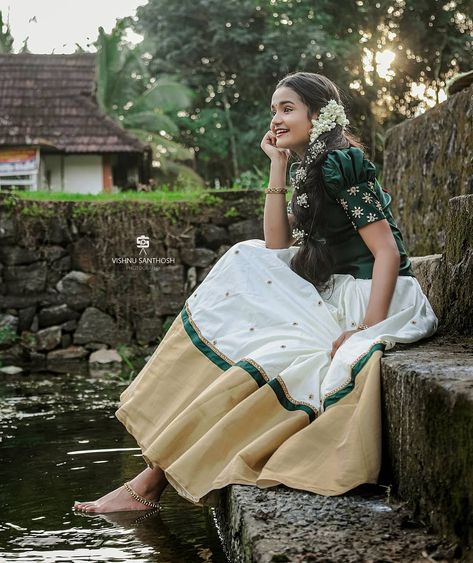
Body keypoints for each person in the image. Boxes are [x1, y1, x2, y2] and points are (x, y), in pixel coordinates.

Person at [73, 71, 437, 514]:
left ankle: (148, 484)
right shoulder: (305, 165)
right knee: (249, 262)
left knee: (278, 358)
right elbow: (276, 244)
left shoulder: (343, 162)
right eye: (274, 111)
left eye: (287, 109)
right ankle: (150, 480)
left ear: (319, 115)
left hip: (374, 295)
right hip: (336, 293)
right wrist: (277, 164)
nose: (277, 120)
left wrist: (366, 326)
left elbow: (386, 253)